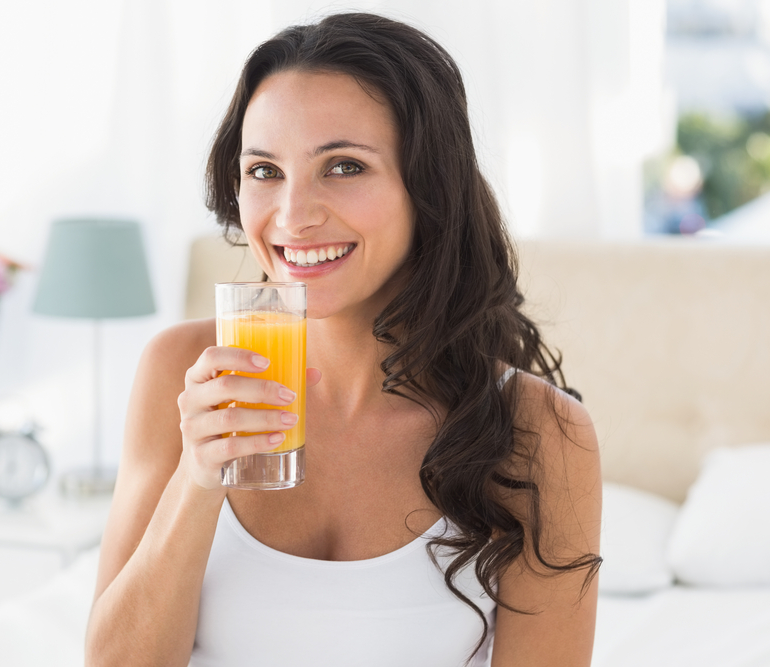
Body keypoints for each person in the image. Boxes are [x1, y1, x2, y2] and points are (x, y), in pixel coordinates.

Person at [85, 12, 601, 667]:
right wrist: (197, 475)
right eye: (265, 171)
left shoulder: (539, 431)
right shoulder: (178, 372)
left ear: (428, 186)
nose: (294, 216)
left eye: (345, 166)